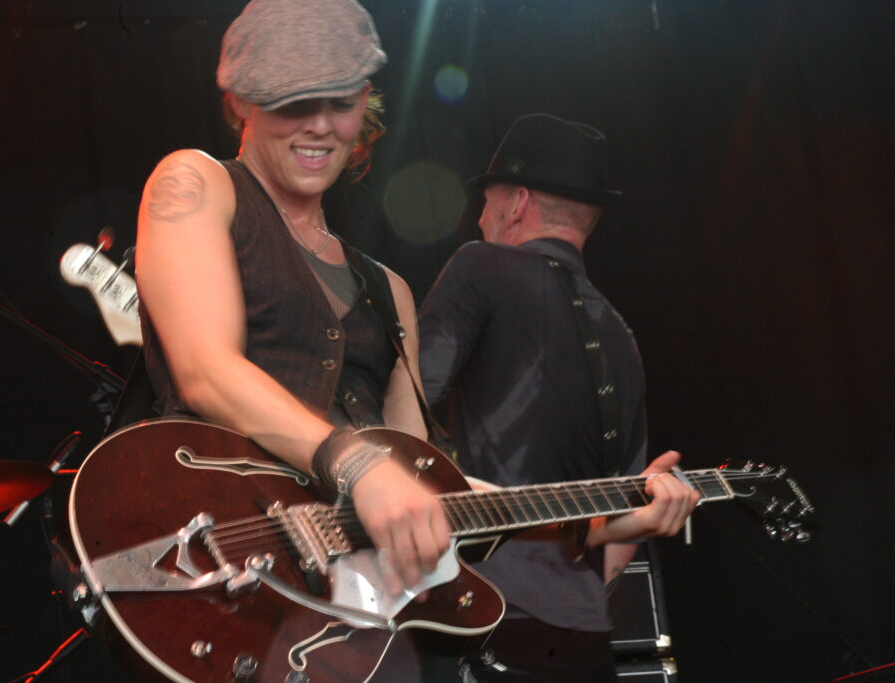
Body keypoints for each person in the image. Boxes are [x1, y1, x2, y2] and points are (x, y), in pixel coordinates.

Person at [135, 0, 448, 640]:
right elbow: (206, 373)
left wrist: (596, 519)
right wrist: (356, 463)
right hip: (231, 581)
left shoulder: (390, 291)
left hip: (363, 616)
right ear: (242, 104)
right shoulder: (196, 183)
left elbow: (419, 472)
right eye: (293, 104)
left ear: (367, 101)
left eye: (340, 102)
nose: (321, 127)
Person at [417, 113, 700, 682]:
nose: (480, 215)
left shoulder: (480, 265)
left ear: (517, 202)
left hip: (483, 617)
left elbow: (404, 417)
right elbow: (620, 531)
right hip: (584, 639)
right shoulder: (622, 334)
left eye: (488, 199)